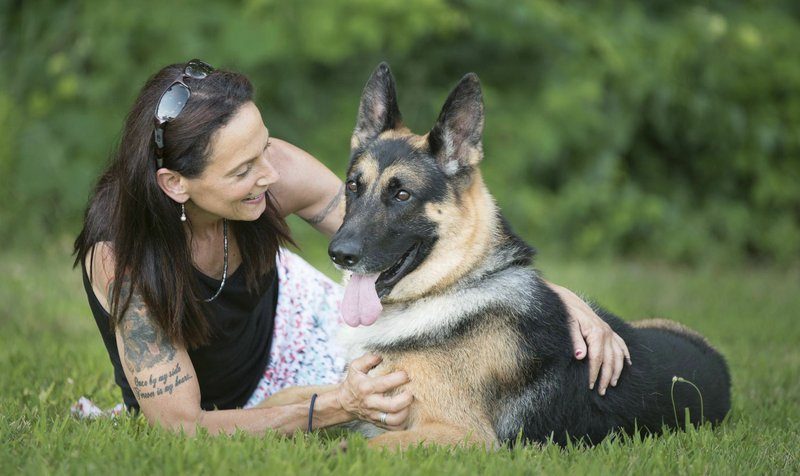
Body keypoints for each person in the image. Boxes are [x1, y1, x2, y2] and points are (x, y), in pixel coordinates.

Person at [73, 60, 631, 436]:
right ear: (176, 185)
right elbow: (183, 426)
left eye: (264, 147)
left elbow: (396, 241)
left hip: (313, 318)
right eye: (243, 169)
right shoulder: (120, 257)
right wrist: (338, 404)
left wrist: (542, 294)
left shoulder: (273, 174)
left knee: (421, 400)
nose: (270, 173)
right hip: (226, 402)